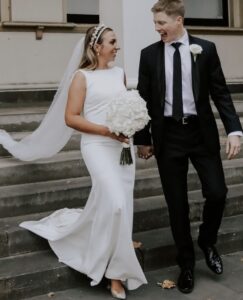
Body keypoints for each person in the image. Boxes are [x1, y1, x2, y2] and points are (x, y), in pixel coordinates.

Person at [1, 25, 147, 299]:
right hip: (97, 146)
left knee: (121, 205)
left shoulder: (119, 73)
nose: (117, 46)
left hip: (122, 149)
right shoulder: (81, 77)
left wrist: (131, 125)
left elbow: (125, 105)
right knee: (115, 202)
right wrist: (107, 131)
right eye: (112, 42)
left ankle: (116, 266)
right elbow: (72, 117)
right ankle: (112, 271)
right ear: (97, 46)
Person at [134, 0, 242, 294]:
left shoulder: (205, 49)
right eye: (155, 24)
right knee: (177, 205)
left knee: (218, 192)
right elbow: (143, 99)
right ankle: (186, 265)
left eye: (161, 24)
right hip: (168, 137)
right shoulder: (149, 55)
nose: (157, 29)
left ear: (178, 20)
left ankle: (207, 240)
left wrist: (234, 129)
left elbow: (220, 92)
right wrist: (143, 139)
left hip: (201, 134)